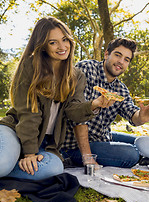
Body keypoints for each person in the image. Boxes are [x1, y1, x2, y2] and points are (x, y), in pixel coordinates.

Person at [0, 17, 112, 180]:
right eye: (53, 42)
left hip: (45, 143)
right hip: (16, 130)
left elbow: (74, 112)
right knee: (3, 163)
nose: (62, 47)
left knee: (54, 168)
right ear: (43, 46)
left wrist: (95, 104)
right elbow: (28, 113)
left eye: (65, 39)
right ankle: (10, 164)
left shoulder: (76, 76)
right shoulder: (30, 66)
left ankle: (11, 169)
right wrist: (30, 153)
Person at [61, 38, 149, 168]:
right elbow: (78, 118)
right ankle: (71, 159)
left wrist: (141, 117)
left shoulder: (120, 88)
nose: (121, 62)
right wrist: (87, 157)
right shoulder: (86, 69)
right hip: (74, 145)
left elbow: (132, 114)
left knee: (146, 143)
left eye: (126, 59)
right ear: (107, 54)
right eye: (118, 55)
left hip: (102, 137)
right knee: (131, 154)